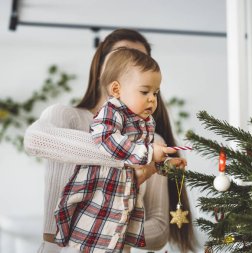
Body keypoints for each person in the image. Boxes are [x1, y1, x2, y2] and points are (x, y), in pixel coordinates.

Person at [24, 29, 196, 253]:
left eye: (141, 61)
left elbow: (159, 232)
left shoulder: (153, 141)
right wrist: (134, 156)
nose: (132, 66)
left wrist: (104, 225)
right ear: (101, 70)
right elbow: (35, 140)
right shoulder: (66, 118)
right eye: (121, 56)